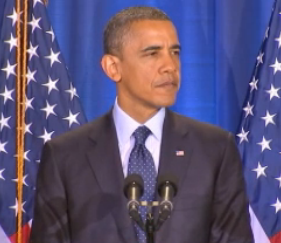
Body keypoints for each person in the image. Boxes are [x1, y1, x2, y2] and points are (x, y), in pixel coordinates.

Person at [30, 6, 253, 243]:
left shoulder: (215, 149)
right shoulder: (65, 156)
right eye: (153, 53)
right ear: (113, 68)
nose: (170, 66)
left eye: (175, 52)